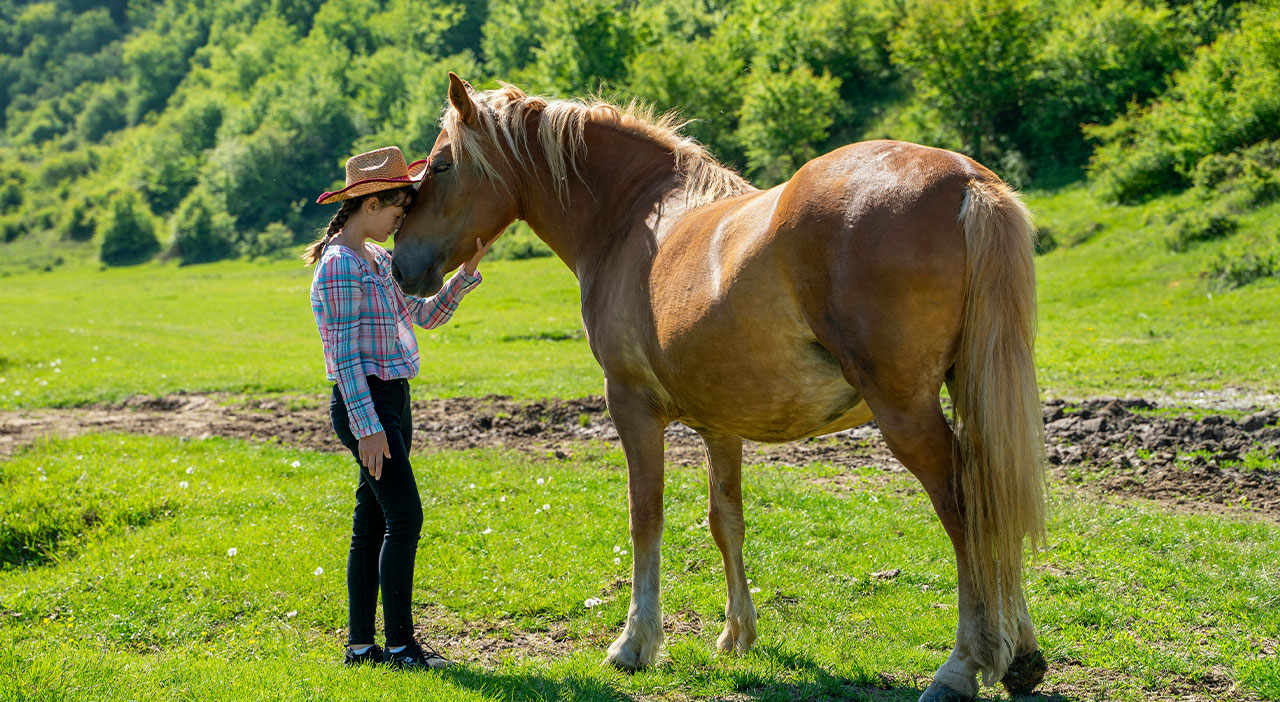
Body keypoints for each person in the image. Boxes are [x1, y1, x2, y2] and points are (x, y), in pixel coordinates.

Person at [305, 146, 490, 669]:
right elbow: (342, 355)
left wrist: (465, 274)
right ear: (370, 203)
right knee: (405, 517)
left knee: (372, 522)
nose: (400, 221)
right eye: (396, 210)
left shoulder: (380, 260)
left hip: (393, 399)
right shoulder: (340, 265)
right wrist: (367, 427)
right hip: (365, 403)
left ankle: (362, 647)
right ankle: (403, 646)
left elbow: (424, 317)